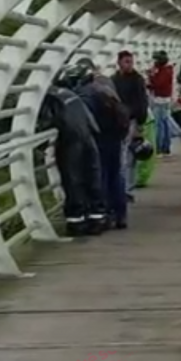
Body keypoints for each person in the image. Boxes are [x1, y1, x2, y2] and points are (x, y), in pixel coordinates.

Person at [40, 64, 108, 236]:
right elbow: (90, 119)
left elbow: (46, 122)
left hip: (70, 139)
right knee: (92, 176)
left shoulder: (48, 97)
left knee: (73, 180)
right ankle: (98, 218)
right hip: (89, 137)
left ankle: (77, 221)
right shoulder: (70, 94)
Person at [75, 58, 131, 229]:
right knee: (117, 175)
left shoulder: (86, 91)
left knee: (101, 175)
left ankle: (105, 213)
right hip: (116, 135)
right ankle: (121, 214)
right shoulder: (108, 84)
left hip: (100, 137)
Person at [112, 50, 148, 203]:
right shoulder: (113, 80)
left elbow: (142, 101)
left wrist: (141, 122)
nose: (129, 65)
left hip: (132, 120)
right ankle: (122, 188)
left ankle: (127, 189)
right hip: (117, 121)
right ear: (119, 62)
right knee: (122, 155)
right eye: (127, 62)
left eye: (131, 62)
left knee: (129, 155)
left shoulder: (137, 79)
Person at [147, 50, 174, 157]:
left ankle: (159, 148)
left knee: (159, 125)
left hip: (160, 100)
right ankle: (166, 148)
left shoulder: (163, 71)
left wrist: (151, 76)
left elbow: (158, 83)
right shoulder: (168, 70)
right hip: (166, 99)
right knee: (165, 124)